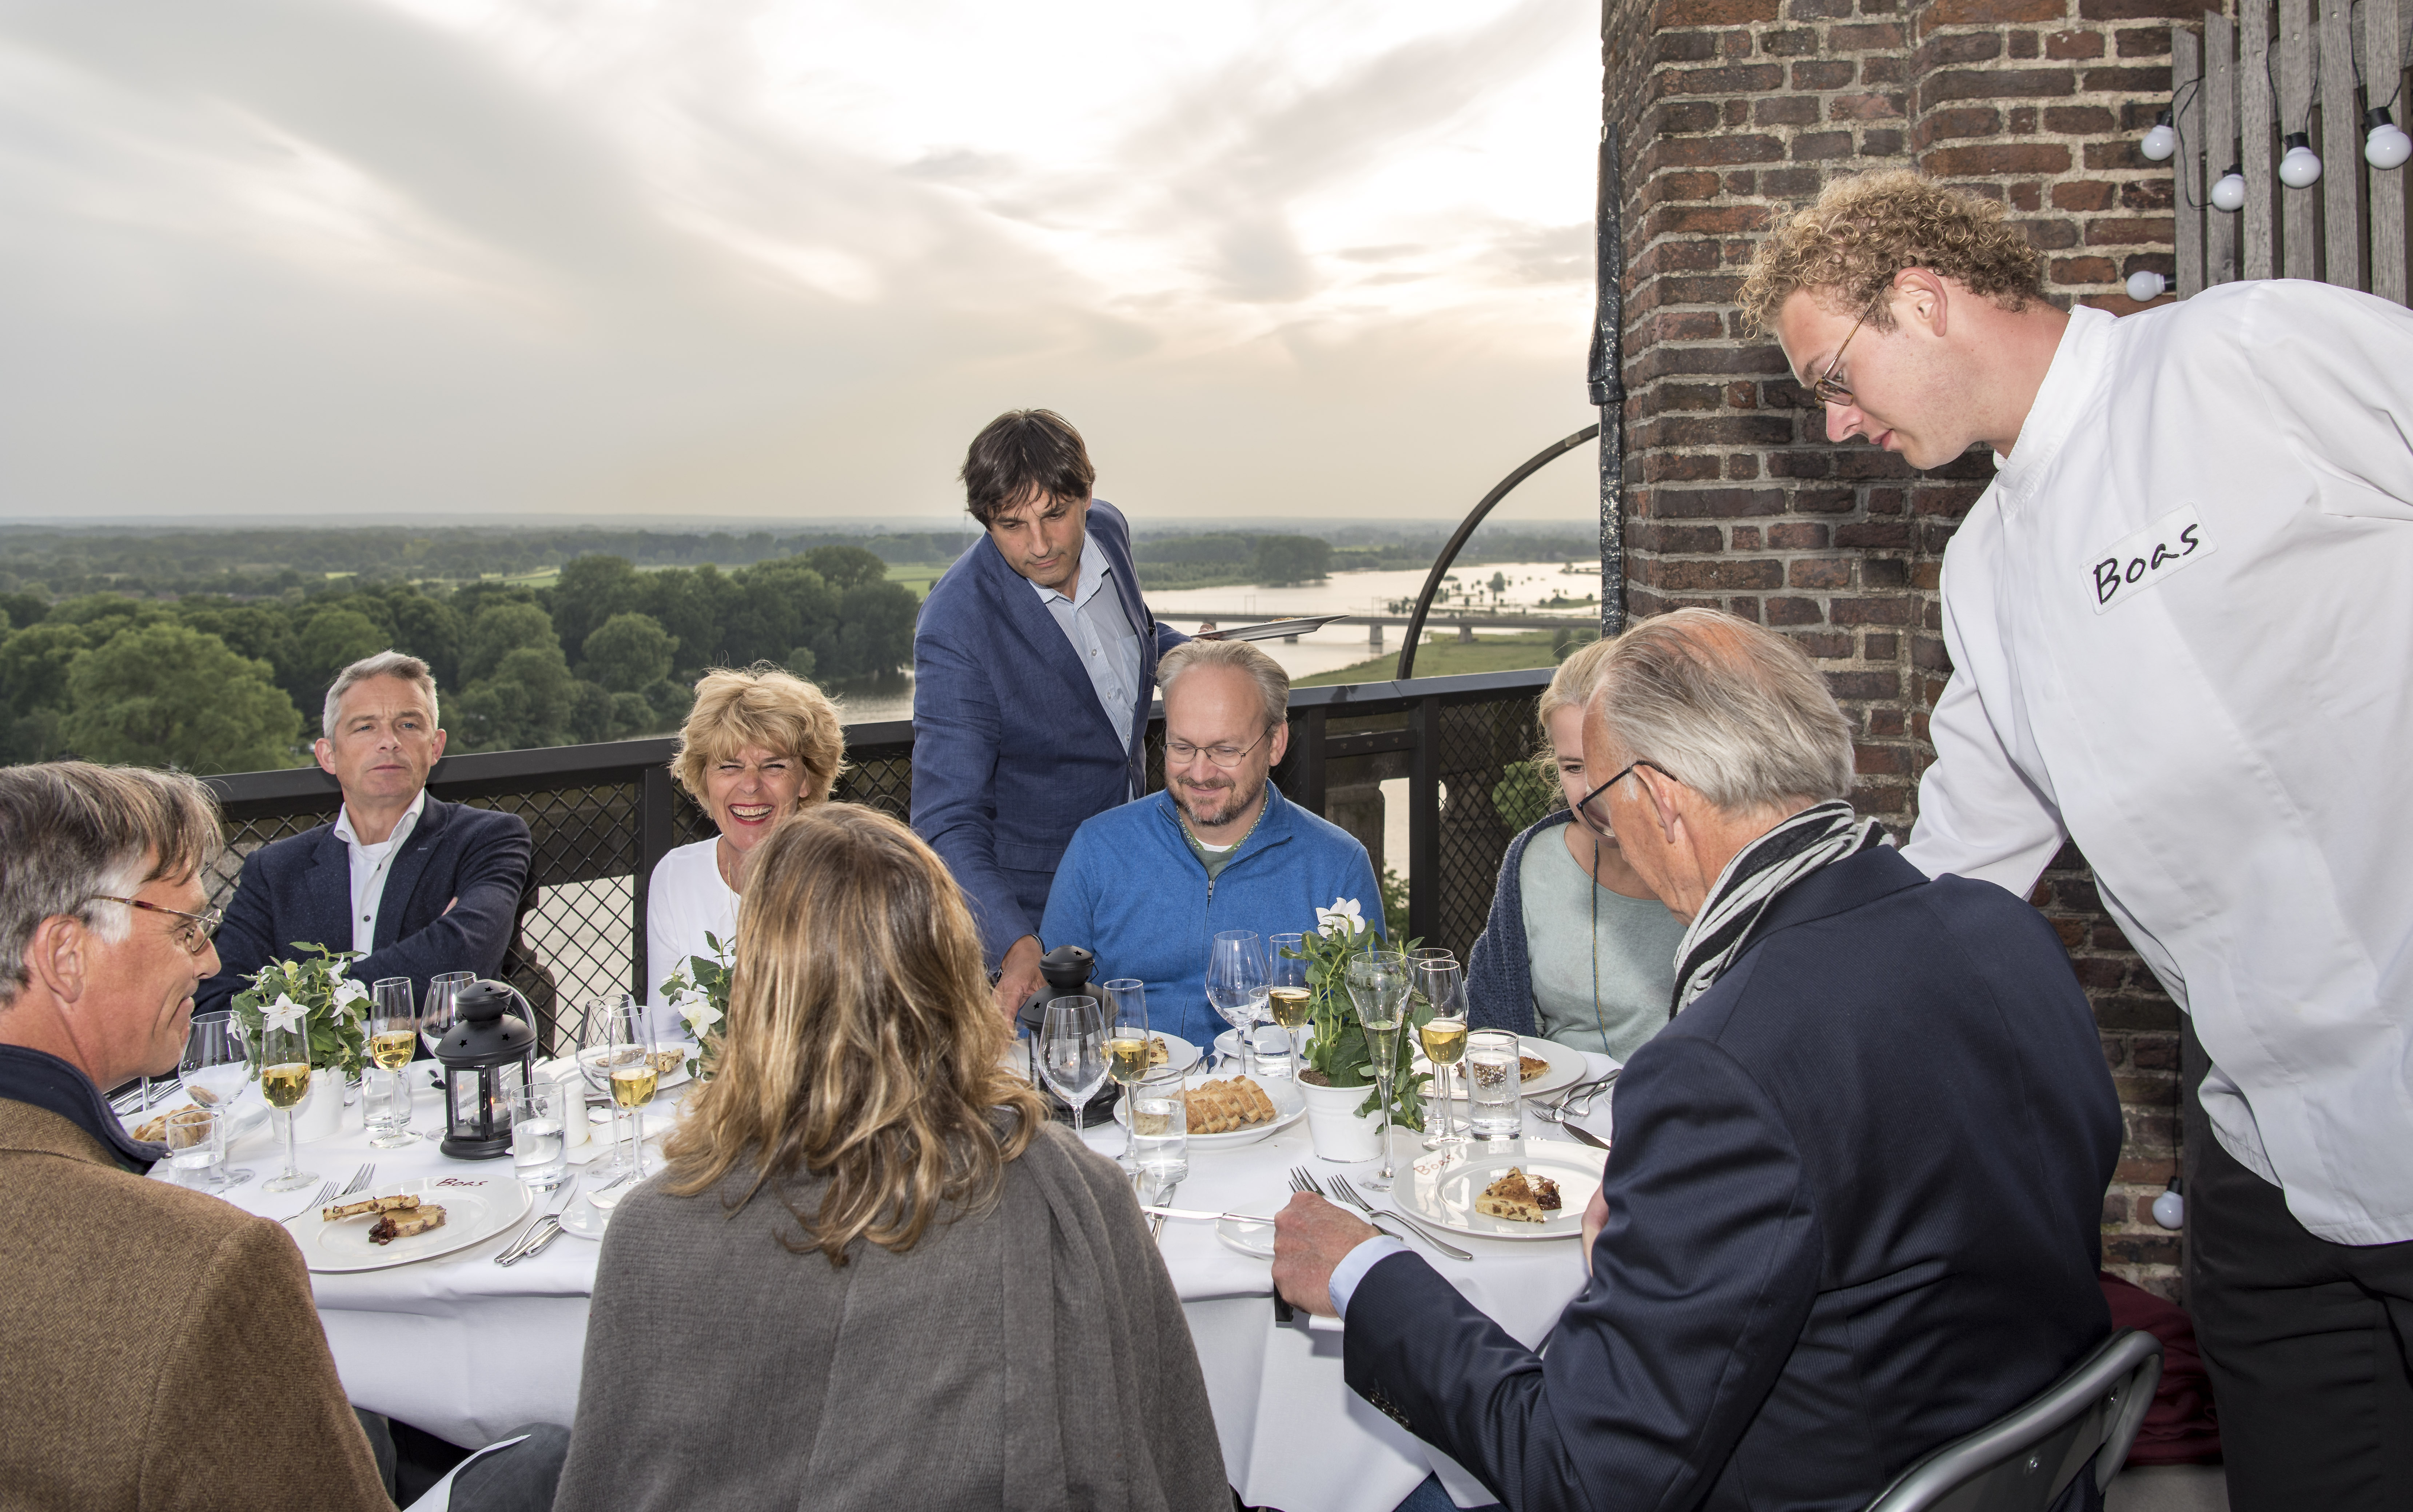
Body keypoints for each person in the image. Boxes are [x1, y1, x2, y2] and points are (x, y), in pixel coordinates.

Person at [1742, 170, 2413, 1512]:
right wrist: (1741, 1082)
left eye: (1834, 371)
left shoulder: (2245, 355)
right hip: (2268, 1151)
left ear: (1921, 300)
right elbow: (1947, 882)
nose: (1835, 417)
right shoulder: (1986, 562)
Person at [1272, 610, 2122, 1512]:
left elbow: (1582, 1472)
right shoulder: (2008, 935)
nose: (1604, 837)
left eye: (1599, 806)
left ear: (1663, 801)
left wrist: (1365, 1273)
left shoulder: (1721, 1064)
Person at [552, 803, 1227, 1512]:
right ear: (947, 977)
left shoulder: (652, 1235)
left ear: (755, 990)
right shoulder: (1077, 1191)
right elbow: (1176, 1471)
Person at [0, 761, 566, 1511]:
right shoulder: (205, 1260)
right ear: (66, 955)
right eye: (185, 927)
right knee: (555, 1447)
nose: (207, 960)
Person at [912, 409, 1186, 1018]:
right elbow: (944, 817)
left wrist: (1191, 656)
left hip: (1145, 873)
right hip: (1038, 914)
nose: (1039, 545)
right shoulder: (956, 623)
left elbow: (1131, 635)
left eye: (1055, 515)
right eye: (1010, 525)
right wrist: (1013, 940)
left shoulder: (1108, 531)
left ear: (1087, 495)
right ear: (984, 520)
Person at [1039, 639, 1381, 1051]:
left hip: (1276, 1103)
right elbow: (1048, 1015)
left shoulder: (1338, 866)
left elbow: (1364, 1035)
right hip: (1128, 1099)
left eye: (1225, 749)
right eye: (1182, 747)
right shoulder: (1098, 849)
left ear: (1275, 743)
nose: (1200, 773)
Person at [197, 651, 532, 1023]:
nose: (389, 741)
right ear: (328, 755)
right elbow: (218, 1003)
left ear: (435, 746)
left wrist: (289, 1006)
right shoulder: (275, 870)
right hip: (317, 1083)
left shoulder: (489, 838)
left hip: (438, 1077)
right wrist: (413, 973)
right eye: (365, 727)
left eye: (408, 724)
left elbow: (462, 959)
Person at [1462, 637, 1684, 1057]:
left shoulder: (1709, 867)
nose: (1593, 790)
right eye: (1574, 767)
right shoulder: (1533, 860)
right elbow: (1491, 1023)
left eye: (1611, 762)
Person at [643, 663, 845, 1033]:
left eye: (774, 766)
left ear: (806, 779)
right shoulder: (676, 876)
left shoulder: (844, 877)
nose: (750, 786)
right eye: (729, 766)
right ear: (704, 777)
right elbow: (666, 1032)